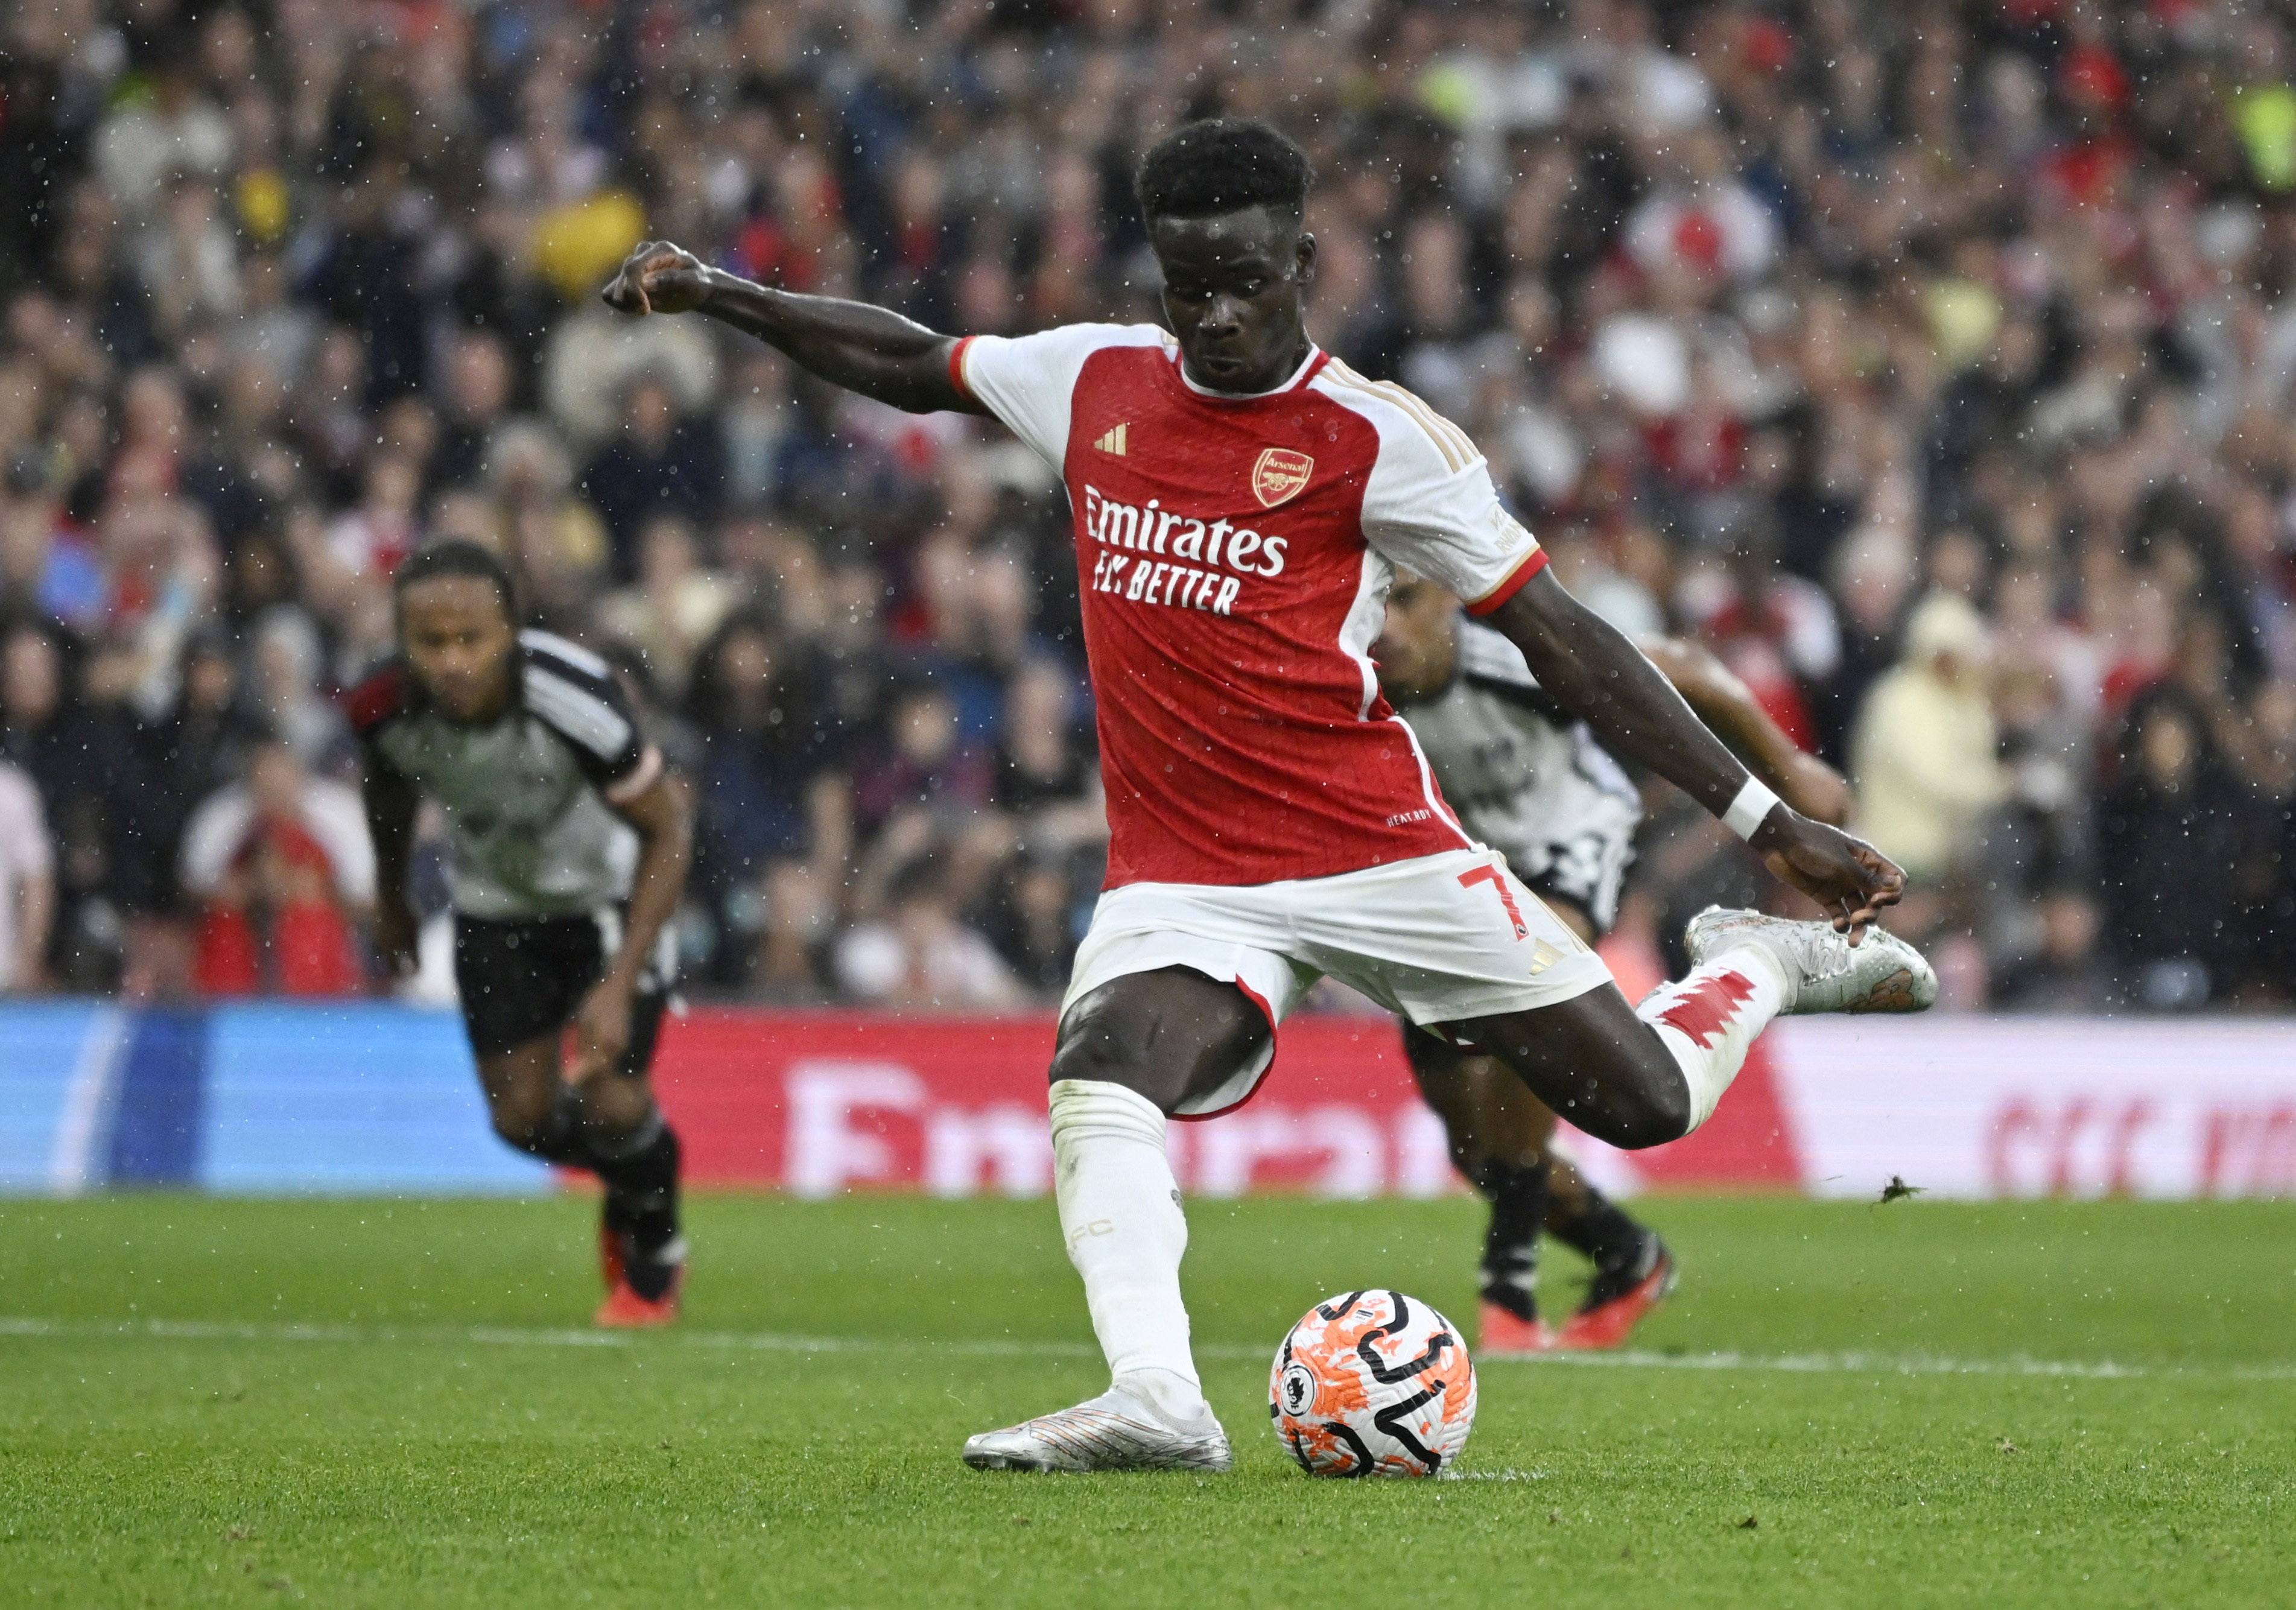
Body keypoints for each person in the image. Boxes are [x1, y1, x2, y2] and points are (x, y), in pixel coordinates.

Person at [604, 116, 1933, 1472]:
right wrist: (726, 295)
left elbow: (1565, 637)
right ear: (1159, 275)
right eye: (1192, 290)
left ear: (1304, 258)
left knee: (1643, 1103)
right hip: (1185, 874)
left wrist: (1768, 825)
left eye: (1250, 281)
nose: (1221, 315)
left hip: (1374, 847)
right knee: (1098, 1072)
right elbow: (909, 358)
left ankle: (1756, 964)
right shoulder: (1094, 380)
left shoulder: (1378, 439)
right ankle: (1158, 1401)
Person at [1372, 571, 1854, 1355]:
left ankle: (1508, 1281)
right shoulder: (1357, 683)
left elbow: (1689, 671)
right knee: (1477, 1146)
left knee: (1524, 993)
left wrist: (1789, 769)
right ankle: (1624, 1253)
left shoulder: (1512, 657)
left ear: (1450, 602)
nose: (1386, 625)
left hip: (1570, 846)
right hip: (1462, 876)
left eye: (1408, 601)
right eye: (1376, 602)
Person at [353, 540, 696, 1327]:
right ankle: (638, 1164)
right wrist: (391, 893)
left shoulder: (573, 699)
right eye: (430, 642)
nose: (452, 661)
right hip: (495, 909)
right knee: (520, 1120)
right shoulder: (378, 704)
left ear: (509, 631)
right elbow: (387, 787)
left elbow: (668, 830)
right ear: (403, 639)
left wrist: (617, 981)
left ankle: (653, 1255)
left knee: (610, 1094)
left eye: (471, 639)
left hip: (608, 899)